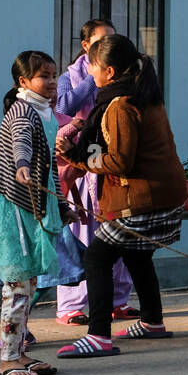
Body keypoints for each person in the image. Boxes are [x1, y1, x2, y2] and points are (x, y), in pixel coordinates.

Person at [56, 35, 187, 359]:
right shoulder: (145, 95)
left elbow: (119, 161)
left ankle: (99, 335)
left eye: (94, 68)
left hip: (143, 201)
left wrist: (77, 158)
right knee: (136, 255)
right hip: (164, 197)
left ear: (110, 72)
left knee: (96, 257)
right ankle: (153, 321)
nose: (92, 75)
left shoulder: (120, 105)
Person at [0, 51, 63, 375]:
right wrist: (21, 165)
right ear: (24, 82)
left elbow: (50, 169)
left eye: (53, 74)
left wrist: (63, 204)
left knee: (28, 283)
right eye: (43, 76)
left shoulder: (46, 113)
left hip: (32, 206)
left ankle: (19, 352)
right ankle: (7, 360)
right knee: (17, 285)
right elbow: (22, 143)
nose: (51, 81)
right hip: (11, 207)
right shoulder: (23, 110)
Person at [53, 18, 136, 326]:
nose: (107, 50)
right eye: (101, 43)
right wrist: (93, 75)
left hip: (111, 162)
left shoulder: (123, 78)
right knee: (79, 232)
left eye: (111, 43)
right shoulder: (69, 76)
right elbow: (64, 106)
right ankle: (71, 305)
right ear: (86, 46)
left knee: (115, 231)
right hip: (80, 165)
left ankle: (117, 300)